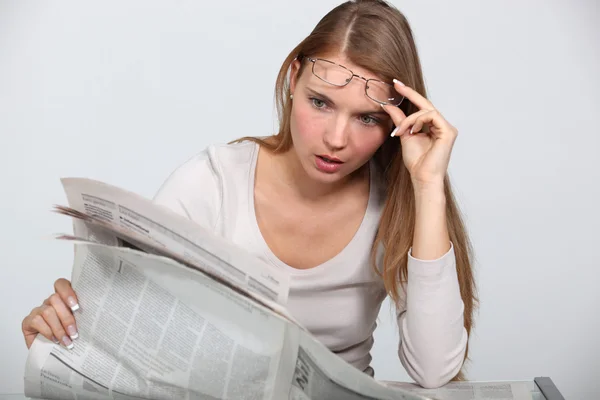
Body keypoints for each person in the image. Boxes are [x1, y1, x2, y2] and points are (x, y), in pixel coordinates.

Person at [21, 0, 477, 389]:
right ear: (293, 78)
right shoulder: (214, 183)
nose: (337, 138)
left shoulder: (398, 204)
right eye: (320, 103)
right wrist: (63, 335)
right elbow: (137, 340)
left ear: (399, 122)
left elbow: (434, 370)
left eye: (367, 119)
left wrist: (428, 186)